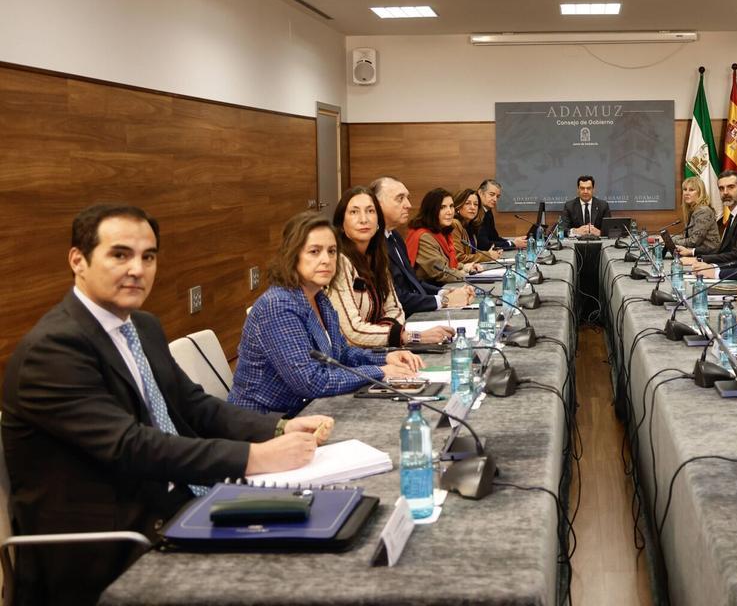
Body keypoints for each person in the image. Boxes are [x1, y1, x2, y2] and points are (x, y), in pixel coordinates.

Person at [1, 204, 333, 605]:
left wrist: (278, 428)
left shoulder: (142, 326)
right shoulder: (53, 349)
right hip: (112, 543)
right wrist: (254, 457)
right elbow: (132, 445)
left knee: (323, 525)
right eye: (120, 254)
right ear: (78, 261)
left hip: (179, 500)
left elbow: (195, 406)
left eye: (148, 257)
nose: (137, 269)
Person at [229, 211, 423, 415]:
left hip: (308, 411)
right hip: (265, 422)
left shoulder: (320, 298)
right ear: (292, 256)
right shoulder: (278, 305)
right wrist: (379, 372)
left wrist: (386, 357)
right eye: (314, 251)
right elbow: (311, 381)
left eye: (332, 251)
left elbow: (342, 353)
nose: (326, 260)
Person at [328, 187, 452, 349]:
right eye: (354, 212)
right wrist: (409, 336)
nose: (364, 219)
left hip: (378, 349)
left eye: (370, 211)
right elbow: (352, 333)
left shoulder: (377, 257)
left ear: (378, 221)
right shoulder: (338, 261)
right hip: (348, 356)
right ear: (341, 223)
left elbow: (395, 309)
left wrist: (382, 333)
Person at [370, 176, 474, 315]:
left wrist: (444, 292)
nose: (408, 204)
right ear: (376, 204)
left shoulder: (394, 236)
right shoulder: (372, 243)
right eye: (400, 198)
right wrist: (444, 300)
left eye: (407, 198)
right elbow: (395, 297)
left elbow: (413, 282)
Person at [680, 169, 737, 269]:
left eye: (731, 187)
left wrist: (698, 259)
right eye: (721, 188)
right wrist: (692, 252)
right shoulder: (735, 214)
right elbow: (722, 249)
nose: (725, 192)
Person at [407, 188, 481, 283]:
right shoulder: (424, 237)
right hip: (429, 289)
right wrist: (467, 274)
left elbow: (447, 262)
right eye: (442, 207)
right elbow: (442, 273)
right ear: (431, 210)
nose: (449, 212)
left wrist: (465, 267)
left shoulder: (442, 232)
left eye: (451, 206)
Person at [475, 178, 528, 251]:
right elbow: (484, 245)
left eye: (497, 196)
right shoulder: (475, 212)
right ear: (480, 193)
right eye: (491, 194)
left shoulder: (488, 211)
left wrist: (513, 242)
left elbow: (494, 237)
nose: (495, 199)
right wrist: (513, 244)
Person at [672, 177, 720, 256]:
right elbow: (688, 236)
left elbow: (694, 241)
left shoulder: (703, 211)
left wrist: (670, 241)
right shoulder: (693, 210)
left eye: (691, 190)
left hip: (708, 257)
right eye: (685, 189)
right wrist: (669, 238)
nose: (686, 193)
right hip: (699, 254)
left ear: (700, 193)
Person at [452, 188, 501, 264]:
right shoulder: (454, 224)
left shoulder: (471, 225)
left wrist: (490, 253)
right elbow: (459, 258)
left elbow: (471, 253)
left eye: (475, 204)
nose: (473, 207)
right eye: (467, 203)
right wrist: (488, 255)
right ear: (458, 206)